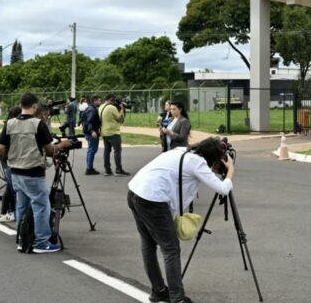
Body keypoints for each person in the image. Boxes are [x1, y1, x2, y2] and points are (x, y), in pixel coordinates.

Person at [127, 137, 235, 303]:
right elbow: (223, 188)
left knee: (148, 245)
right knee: (171, 249)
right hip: (153, 200)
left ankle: (159, 290)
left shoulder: (182, 151)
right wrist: (230, 169)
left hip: (135, 192)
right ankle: (177, 298)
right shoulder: (197, 163)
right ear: (213, 158)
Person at [0, 93, 73, 253]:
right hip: (33, 171)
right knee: (41, 206)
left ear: (21, 105)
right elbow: (50, 150)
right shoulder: (38, 124)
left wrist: (16, 153)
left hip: (15, 171)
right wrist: (63, 145)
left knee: (21, 206)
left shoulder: (10, 123)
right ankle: (41, 243)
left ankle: (22, 239)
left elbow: (0, 148)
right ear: (35, 106)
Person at [0, 107, 22, 223]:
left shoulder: (10, 125)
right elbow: (2, 147)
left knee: (10, 187)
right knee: (12, 188)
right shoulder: (10, 126)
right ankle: (8, 211)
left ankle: (6, 212)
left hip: (9, 159)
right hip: (9, 159)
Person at [100, 94, 129, 176]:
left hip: (104, 132)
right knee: (117, 151)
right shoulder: (111, 107)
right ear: (111, 100)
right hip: (113, 132)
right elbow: (120, 119)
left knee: (107, 151)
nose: (114, 102)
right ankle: (118, 169)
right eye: (113, 100)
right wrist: (122, 109)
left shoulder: (101, 107)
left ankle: (107, 170)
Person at [82, 96, 102, 175]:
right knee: (92, 149)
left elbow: (83, 118)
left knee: (90, 149)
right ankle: (89, 169)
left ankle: (89, 167)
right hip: (91, 132)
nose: (100, 102)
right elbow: (90, 121)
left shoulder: (89, 108)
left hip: (87, 132)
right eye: (99, 101)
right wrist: (92, 131)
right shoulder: (92, 110)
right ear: (95, 101)